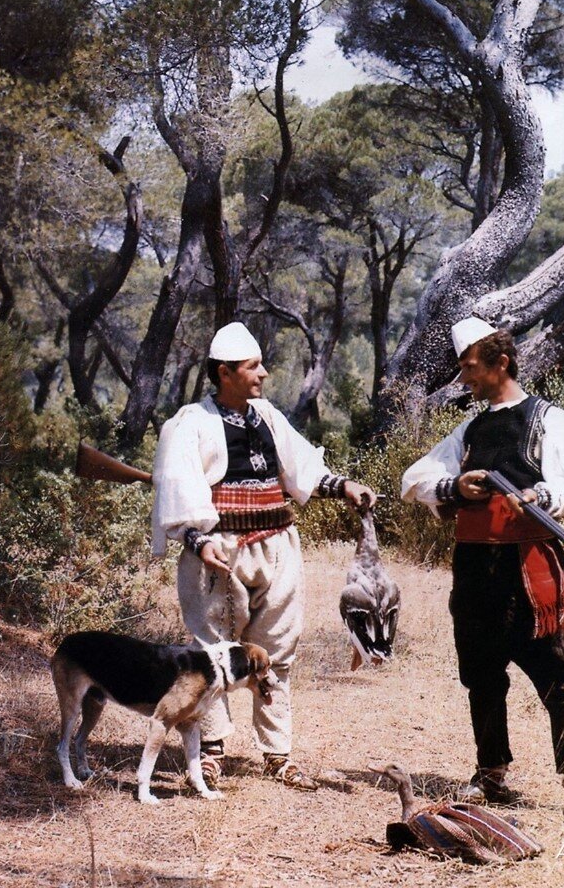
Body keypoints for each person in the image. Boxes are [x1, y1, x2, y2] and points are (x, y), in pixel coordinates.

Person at [401, 317, 564, 823]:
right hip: (474, 569)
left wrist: (544, 497)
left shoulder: (548, 420)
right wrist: (456, 487)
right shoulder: (470, 428)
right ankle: (490, 772)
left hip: (529, 569)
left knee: (557, 677)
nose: (464, 377)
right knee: (482, 675)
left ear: (500, 362)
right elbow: (418, 477)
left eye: (470, 366)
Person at [151, 322, 376, 792]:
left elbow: (302, 469)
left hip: (277, 545)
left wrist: (345, 486)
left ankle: (277, 753)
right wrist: (199, 543)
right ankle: (210, 750)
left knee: (277, 651)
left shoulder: (268, 416)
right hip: (219, 552)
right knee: (212, 653)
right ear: (225, 372)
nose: (264, 374)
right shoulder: (189, 424)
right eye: (253, 367)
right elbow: (179, 495)